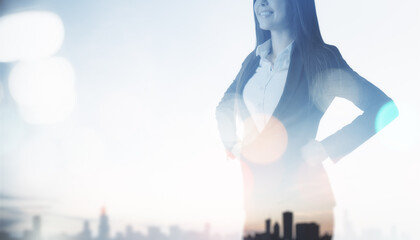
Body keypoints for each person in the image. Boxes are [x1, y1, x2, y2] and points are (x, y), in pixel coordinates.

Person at [215, 0, 398, 238]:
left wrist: (327, 147)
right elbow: (225, 108)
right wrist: (235, 145)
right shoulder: (253, 61)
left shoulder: (321, 58)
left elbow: (383, 107)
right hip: (258, 207)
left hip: (306, 206)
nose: (261, 2)